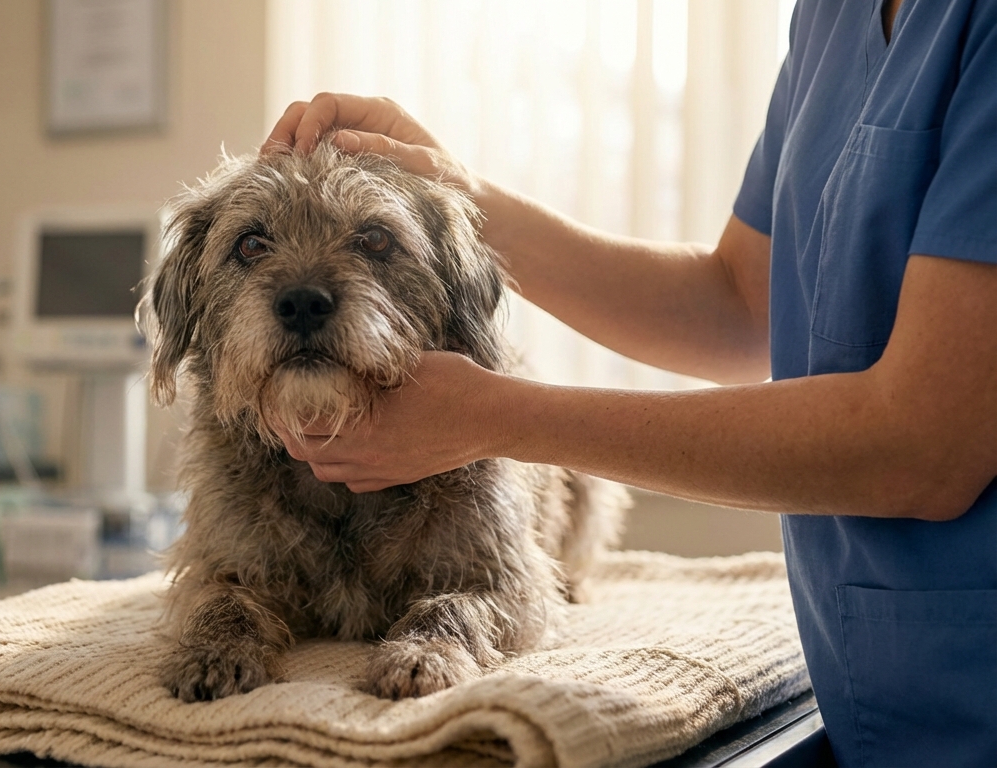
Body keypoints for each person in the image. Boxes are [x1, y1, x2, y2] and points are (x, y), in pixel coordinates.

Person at [261, 1, 997, 765]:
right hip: (871, 704)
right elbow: (740, 307)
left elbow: (924, 444)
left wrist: (500, 417)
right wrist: (459, 195)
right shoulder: (830, 17)